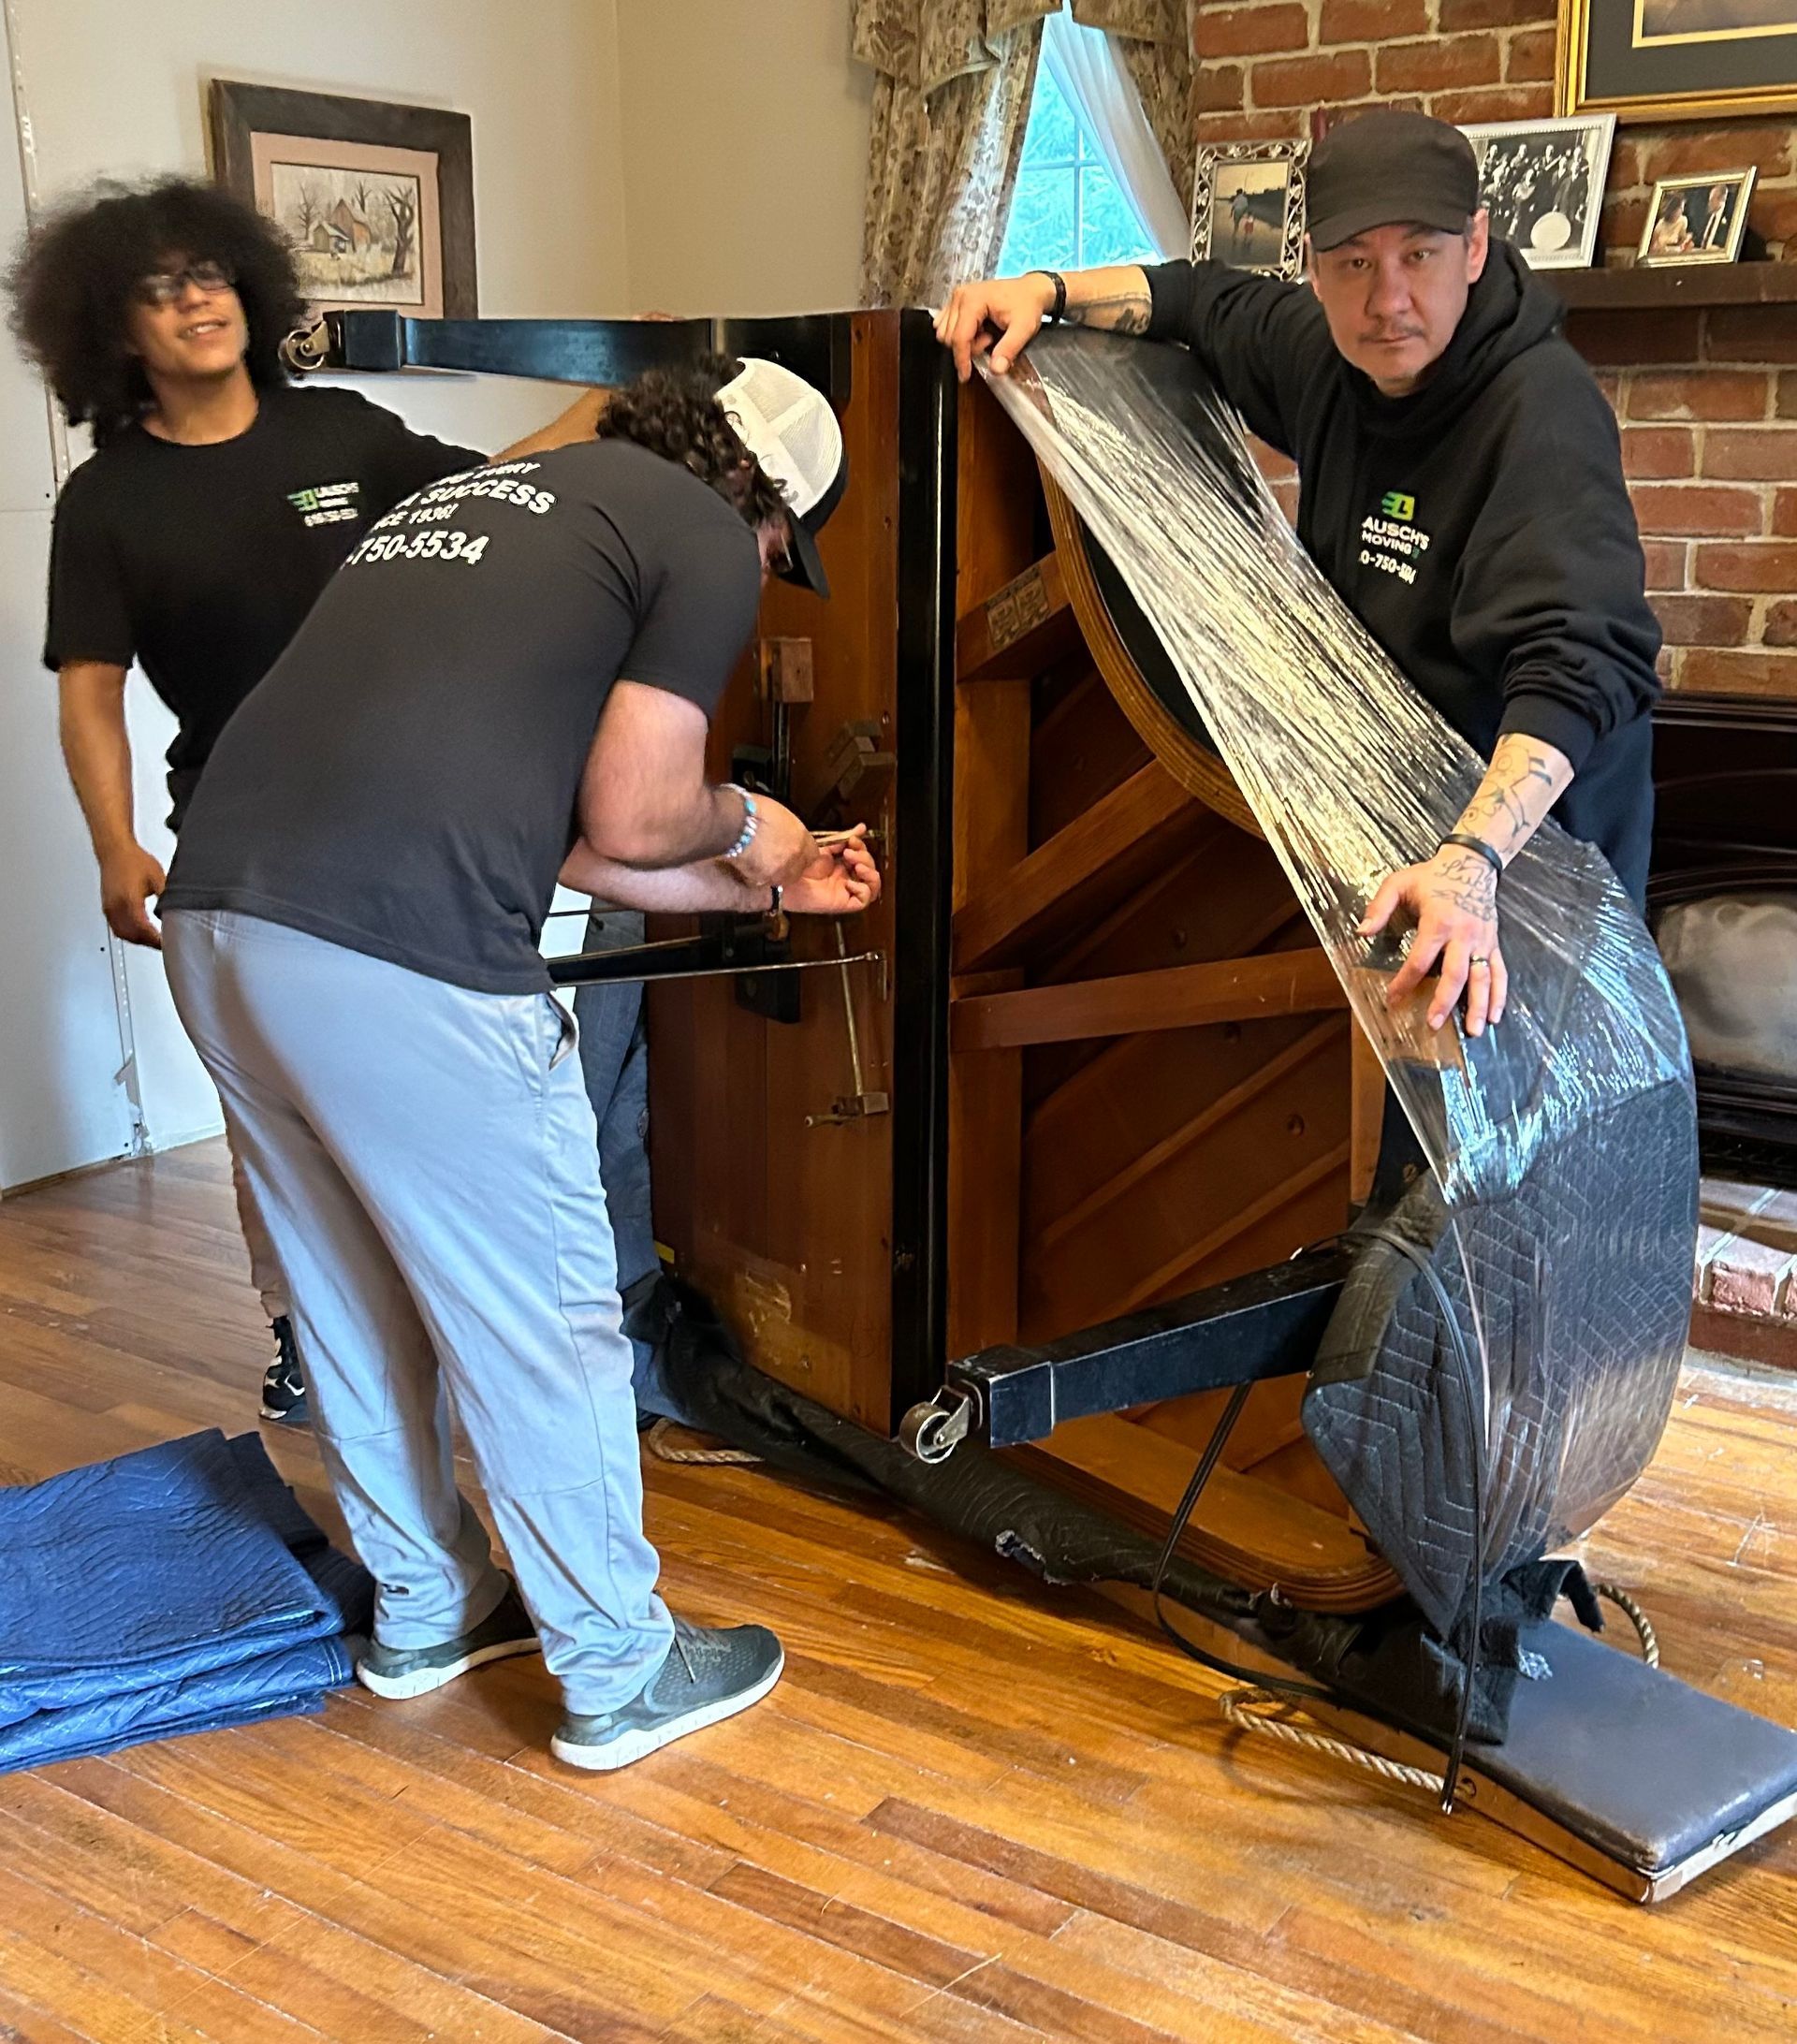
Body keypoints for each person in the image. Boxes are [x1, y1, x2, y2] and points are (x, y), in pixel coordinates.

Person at [155, 353, 879, 1770]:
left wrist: (770, 890)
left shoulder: (489, 502)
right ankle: (618, 1665)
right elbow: (648, 804)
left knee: (345, 1290)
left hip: (222, 924)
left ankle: (428, 1610)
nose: (769, 571)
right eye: (785, 552)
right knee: (540, 1307)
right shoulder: (695, 533)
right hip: (392, 946)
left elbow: (566, 835)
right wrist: (758, 831)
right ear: (767, 506)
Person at [9, 176, 606, 1425]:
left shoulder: (339, 432)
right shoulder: (108, 501)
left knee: (439, 1091)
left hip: (404, 815)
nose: (194, 302)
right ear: (118, 332)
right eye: (157, 289)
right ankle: (303, 1332)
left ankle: (453, 1321)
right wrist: (115, 846)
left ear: (247, 285)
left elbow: (485, 493)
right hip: (245, 844)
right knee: (282, 1122)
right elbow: (91, 691)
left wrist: (602, 409)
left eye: (209, 273)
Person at [938, 107, 1662, 1045]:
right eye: (1354, 262)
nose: (1387, 299)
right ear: (1314, 267)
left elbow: (1579, 668)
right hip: (1401, 809)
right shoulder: (1326, 352)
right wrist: (1046, 286)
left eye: (1421, 256)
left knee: (1531, 1137)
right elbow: (1195, 299)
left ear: (1476, 247)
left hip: (1536, 853)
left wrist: (1469, 862)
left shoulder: (1542, 411)